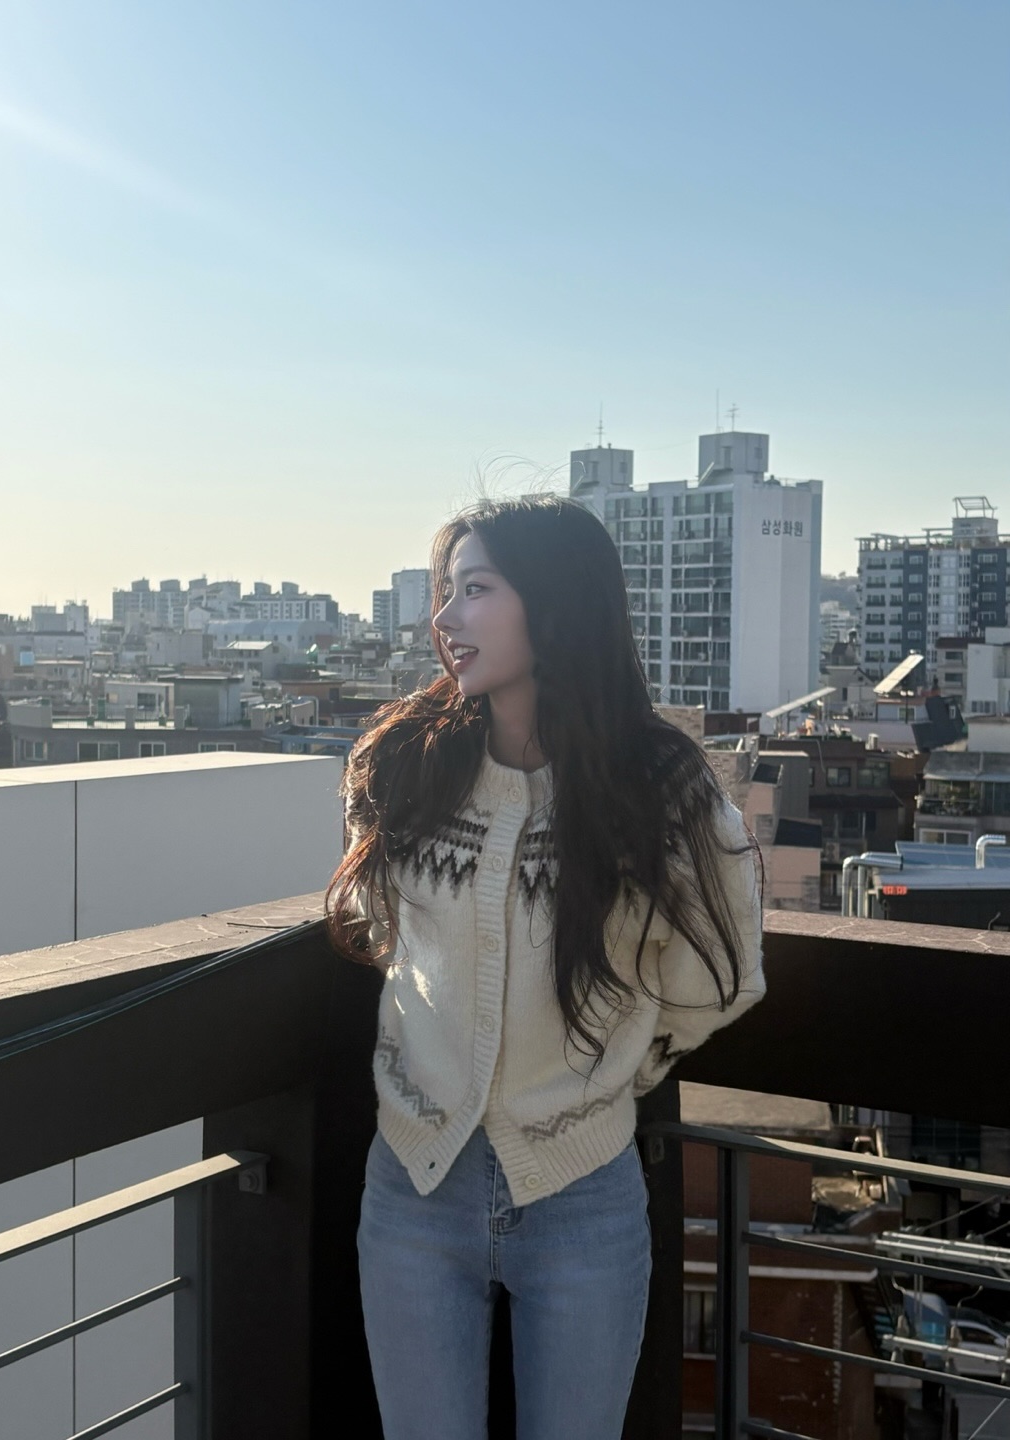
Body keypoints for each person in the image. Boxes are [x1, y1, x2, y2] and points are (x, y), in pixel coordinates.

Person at [326, 494, 765, 1440]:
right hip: (413, 1182)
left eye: (476, 590)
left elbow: (719, 978)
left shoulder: (664, 791)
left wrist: (612, 1074)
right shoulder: (406, 765)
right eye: (446, 592)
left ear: (557, 605)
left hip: (583, 1194)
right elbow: (385, 931)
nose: (445, 619)